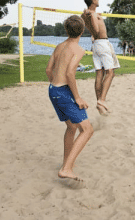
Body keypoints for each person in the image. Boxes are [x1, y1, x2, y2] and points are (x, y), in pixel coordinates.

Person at [45, 15, 93, 182]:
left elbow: (48, 70)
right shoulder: (78, 50)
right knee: (87, 130)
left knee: (72, 127)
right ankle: (66, 169)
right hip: (63, 91)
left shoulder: (59, 46)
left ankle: (67, 163)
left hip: (52, 90)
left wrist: (56, 85)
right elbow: (70, 73)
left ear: (66, 29)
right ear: (83, 30)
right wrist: (77, 97)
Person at [81, 0, 120, 115]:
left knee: (99, 74)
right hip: (102, 44)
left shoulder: (85, 15)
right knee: (110, 73)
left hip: (96, 45)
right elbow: (97, 31)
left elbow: (86, 23)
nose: (98, 0)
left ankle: (99, 102)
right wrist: (94, 17)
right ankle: (102, 100)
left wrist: (89, 15)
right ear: (93, 1)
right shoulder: (92, 14)